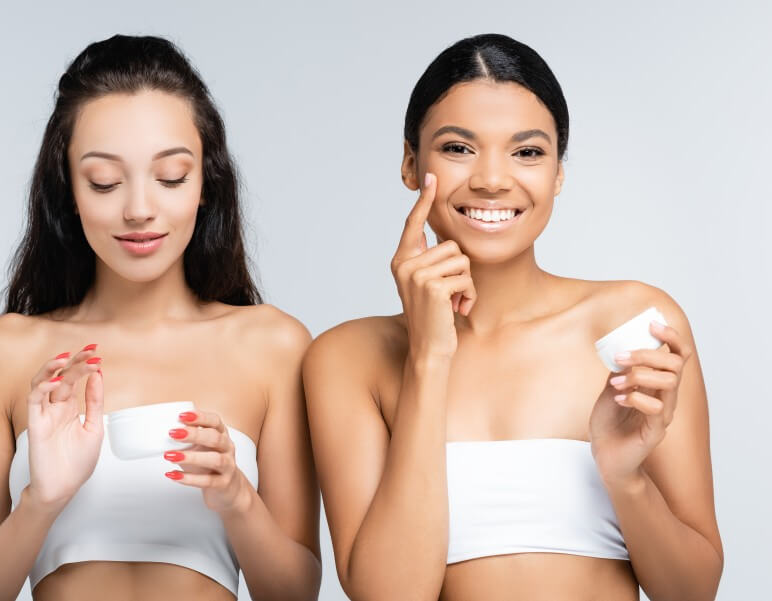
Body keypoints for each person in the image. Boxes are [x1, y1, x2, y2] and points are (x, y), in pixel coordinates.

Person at [303, 33, 722, 601]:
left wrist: (625, 477)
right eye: (458, 148)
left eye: (527, 152)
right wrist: (429, 358)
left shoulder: (631, 325)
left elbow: (692, 591)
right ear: (409, 163)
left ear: (558, 173)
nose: (493, 179)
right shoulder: (347, 359)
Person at [0, 34, 320, 601]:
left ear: (206, 185)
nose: (139, 209)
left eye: (170, 177)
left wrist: (237, 498)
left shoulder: (273, 346)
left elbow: (295, 591)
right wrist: (42, 500)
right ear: (68, 189)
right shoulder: (5, 352)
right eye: (105, 182)